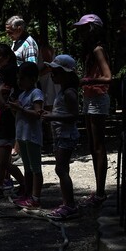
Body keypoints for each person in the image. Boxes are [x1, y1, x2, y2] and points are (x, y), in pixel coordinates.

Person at [74, 14, 112, 208]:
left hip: (98, 98)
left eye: (83, 28)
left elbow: (108, 77)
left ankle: (100, 192)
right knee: (92, 145)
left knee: (98, 146)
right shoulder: (90, 50)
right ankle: (98, 190)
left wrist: (87, 80)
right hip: (90, 97)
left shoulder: (98, 49)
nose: (80, 32)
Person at [41, 55, 81, 220]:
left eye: (56, 72)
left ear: (67, 74)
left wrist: (52, 117)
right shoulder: (63, 91)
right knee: (61, 169)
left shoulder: (70, 93)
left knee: (61, 169)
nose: (53, 75)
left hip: (66, 135)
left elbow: (74, 116)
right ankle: (67, 202)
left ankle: (69, 205)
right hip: (60, 135)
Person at [0, 43, 25, 200]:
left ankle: (24, 184)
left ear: (7, 57)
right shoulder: (0, 77)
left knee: (4, 160)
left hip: (9, 122)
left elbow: (0, 104)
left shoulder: (11, 77)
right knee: (0, 160)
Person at [7, 62, 45, 210]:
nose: (19, 81)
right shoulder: (22, 94)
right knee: (27, 168)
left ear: (33, 78)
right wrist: (13, 108)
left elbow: (37, 114)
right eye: (18, 78)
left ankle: (36, 198)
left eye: (22, 78)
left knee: (35, 168)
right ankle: (27, 194)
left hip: (33, 136)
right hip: (22, 136)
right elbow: (18, 114)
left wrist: (20, 108)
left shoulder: (36, 93)